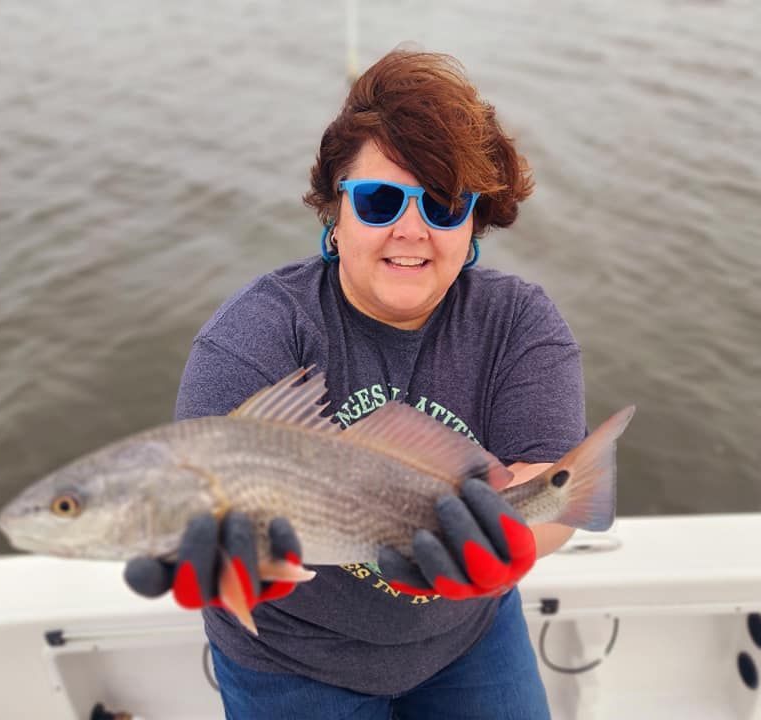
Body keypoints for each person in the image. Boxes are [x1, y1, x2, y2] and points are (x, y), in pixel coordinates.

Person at [124, 49, 586, 719]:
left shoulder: (520, 321)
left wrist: (500, 548)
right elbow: (199, 487)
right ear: (334, 217)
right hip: (292, 660)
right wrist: (233, 570)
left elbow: (555, 486)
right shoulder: (252, 337)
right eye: (377, 200)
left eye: (444, 203)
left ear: (473, 225)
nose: (410, 228)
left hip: (470, 637)